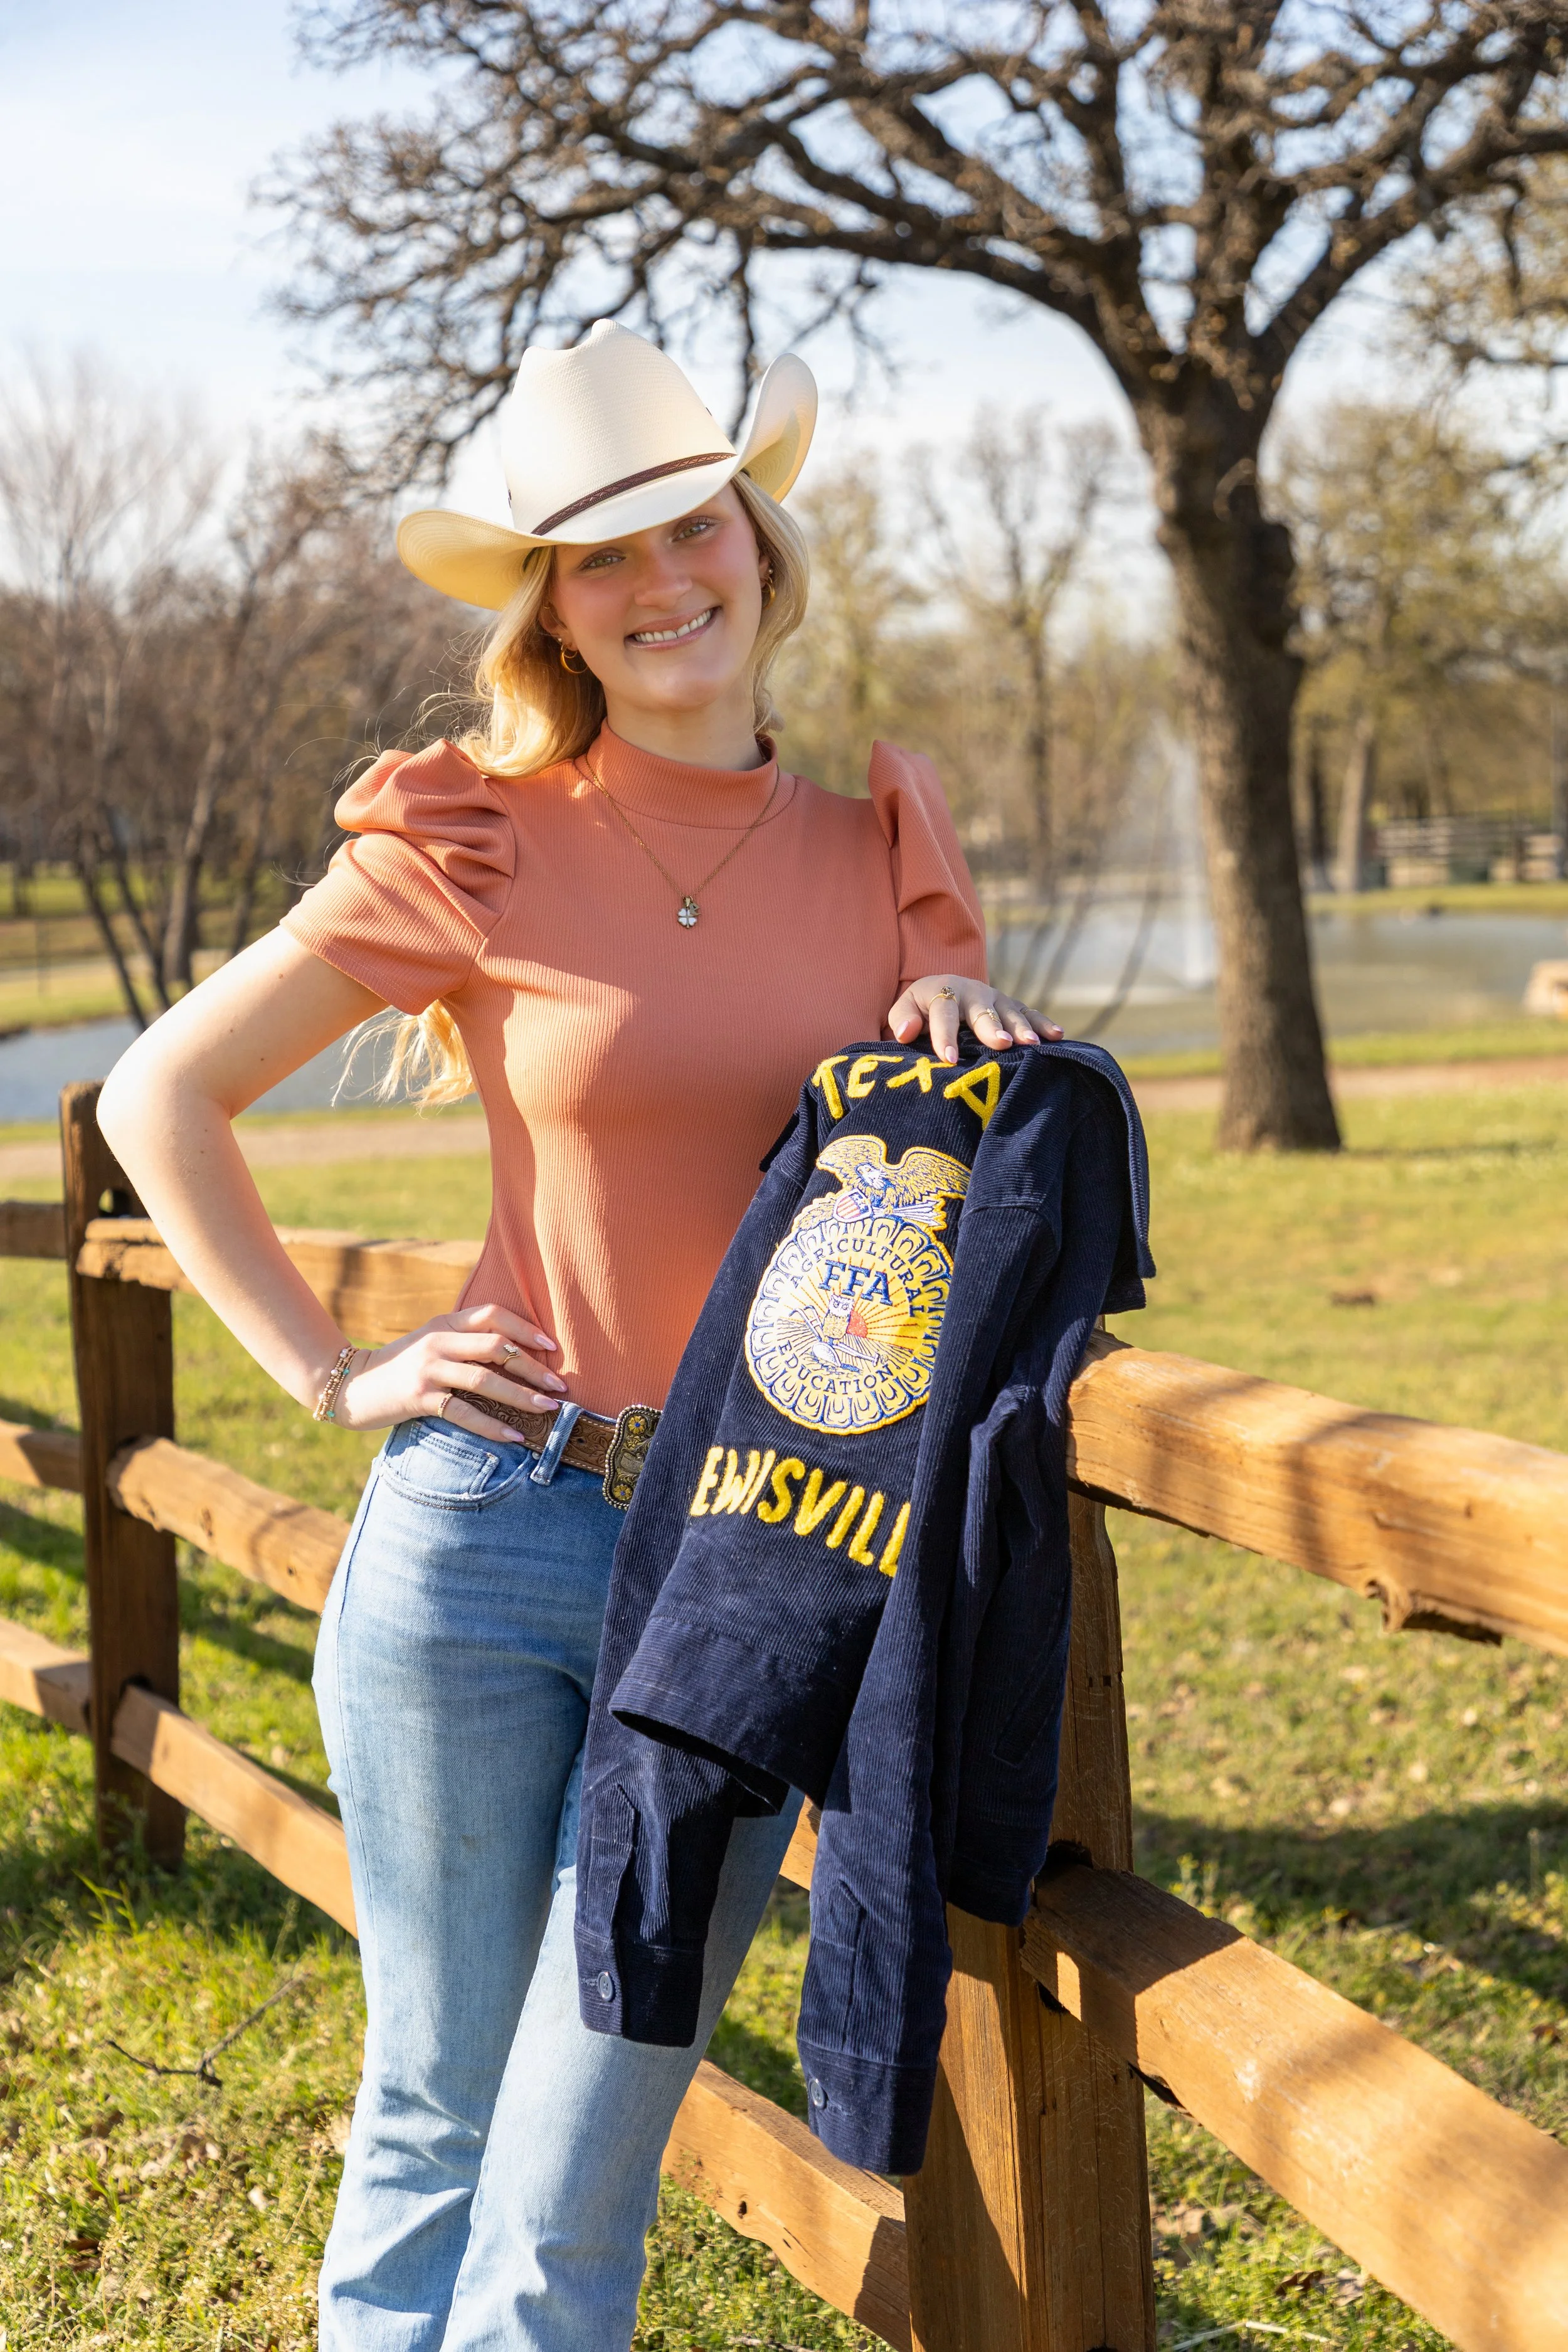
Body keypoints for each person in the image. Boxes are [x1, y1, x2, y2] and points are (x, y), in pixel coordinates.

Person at [97, 318, 1056, 2352]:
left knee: (578, 2151)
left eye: (689, 524)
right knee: (439, 2105)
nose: (658, 580)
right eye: (598, 553)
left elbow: (959, 1173)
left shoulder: (886, 841)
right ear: (551, 603)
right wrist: (331, 1373)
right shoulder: (473, 835)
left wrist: (972, 1046)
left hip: (743, 1565)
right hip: (477, 1534)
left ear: (761, 546)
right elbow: (152, 1094)